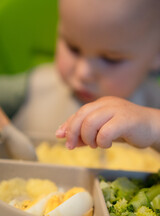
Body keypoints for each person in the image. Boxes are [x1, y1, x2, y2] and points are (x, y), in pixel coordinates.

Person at [4, 0, 160, 151]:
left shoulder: (154, 108)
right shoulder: (35, 87)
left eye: (110, 59)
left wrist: (152, 126)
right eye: (73, 48)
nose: (83, 73)